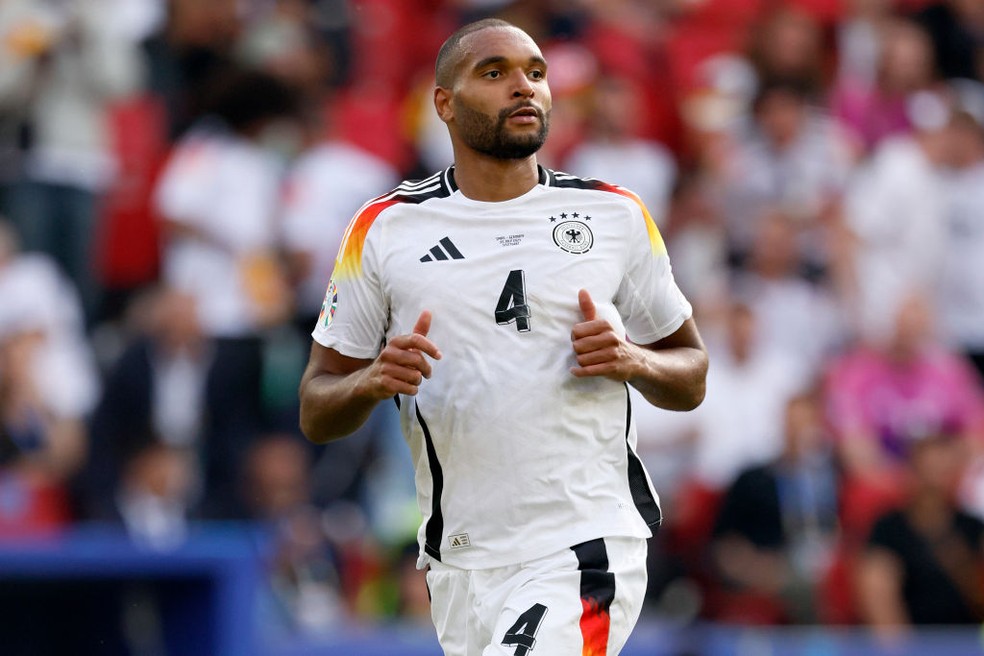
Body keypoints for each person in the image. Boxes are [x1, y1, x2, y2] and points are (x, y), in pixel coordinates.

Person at [298, 18, 708, 656]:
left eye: (536, 73)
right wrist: (371, 379)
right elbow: (317, 409)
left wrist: (632, 359)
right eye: (495, 73)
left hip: (584, 544)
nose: (525, 87)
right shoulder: (382, 229)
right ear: (444, 103)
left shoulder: (615, 215)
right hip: (459, 561)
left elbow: (692, 373)